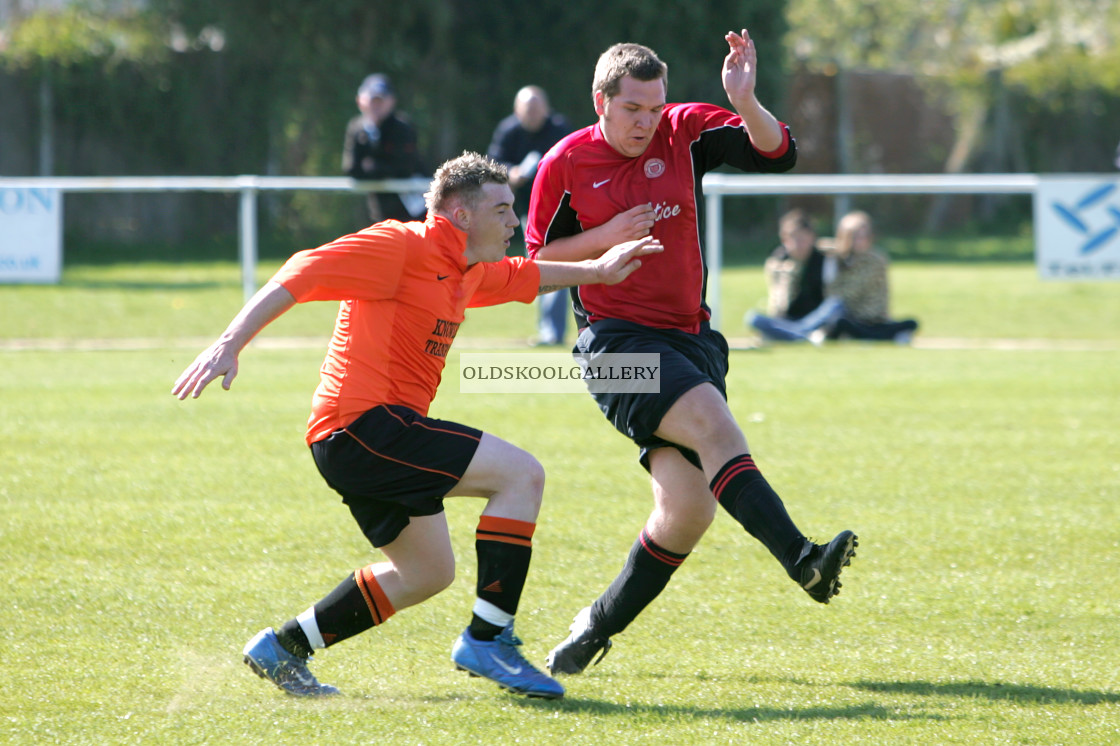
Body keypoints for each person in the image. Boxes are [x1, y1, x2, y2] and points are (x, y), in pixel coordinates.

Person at [172, 152, 662, 700]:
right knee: (521, 476)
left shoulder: (466, 271)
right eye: (501, 210)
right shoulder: (400, 245)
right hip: (363, 427)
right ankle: (489, 638)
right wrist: (229, 344)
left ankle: (285, 647)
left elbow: (525, 275)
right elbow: (301, 270)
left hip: (358, 440)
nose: (514, 222)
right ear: (460, 215)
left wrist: (597, 270)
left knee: (427, 572)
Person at [525, 32, 858, 677]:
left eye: (654, 108)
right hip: (612, 347)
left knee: (687, 510)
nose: (646, 124)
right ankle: (803, 560)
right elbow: (533, 259)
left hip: (694, 343)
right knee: (714, 428)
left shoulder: (684, 132)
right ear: (601, 102)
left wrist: (745, 99)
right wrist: (605, 239)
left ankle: (590, 630)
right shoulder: (564, 163)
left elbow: (778, 152)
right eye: (632, 111)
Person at [488, 85, 573, 346]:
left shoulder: (559, 129)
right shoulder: (508, 130)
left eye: (537, 109)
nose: (533, 114)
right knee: (540, 266)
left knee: (555, 265)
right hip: (523, 211)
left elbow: (573, 162)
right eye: (527, 110)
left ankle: (554, 332)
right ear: (517, 111)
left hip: (560, 210)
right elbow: (492, 164)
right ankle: (550, 330)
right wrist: (510, 173)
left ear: (546, 109)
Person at [746, 208, 844, 343]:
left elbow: (831, 295)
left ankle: (797, 334)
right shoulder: (778, 262)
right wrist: (789, 274)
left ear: (812, 237)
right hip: (788, 319)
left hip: (817, 318)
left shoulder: (825, 259)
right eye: (793, 238)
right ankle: (804, 335)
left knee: (836, 305)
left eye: (803, 238)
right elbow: (778, 305)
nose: (798, 244)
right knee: (753, 318)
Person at [342, 73, 427, 222]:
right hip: (381, 210)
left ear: (392, 101)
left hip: (413, 210)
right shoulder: (357, 128)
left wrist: (372, 166)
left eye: (381, 100)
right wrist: (382, 168)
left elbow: (404, 169)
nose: (376, 105)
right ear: (360, 101)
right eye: (372, 100)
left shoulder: (403, 128)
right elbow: (352, 168)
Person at [825, 210, 919, 343]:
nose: (861, 240)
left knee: (910, 323)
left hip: (872, 320)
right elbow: (833, 295)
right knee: (839, 321)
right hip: (848, 318)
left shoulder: (875, 260)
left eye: (865, 236)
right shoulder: (837, 259)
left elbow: (850, 293)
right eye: (855, 236)